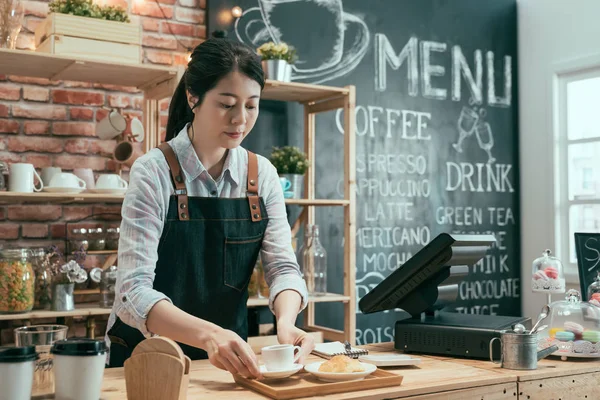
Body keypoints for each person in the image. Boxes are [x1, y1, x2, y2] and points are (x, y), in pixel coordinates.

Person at [104, 35, 313, 379]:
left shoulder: (262, 176)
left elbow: (283, 269)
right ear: (193, 97)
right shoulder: (153, 171)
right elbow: (132, 292)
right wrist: (210, 335)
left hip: (230, 362)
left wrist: (286, 323)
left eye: (251, 105)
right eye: (226, 104)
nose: (240, 119)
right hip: (148, 358)